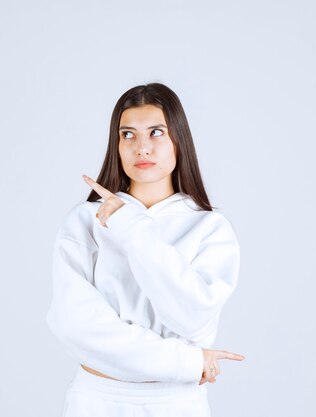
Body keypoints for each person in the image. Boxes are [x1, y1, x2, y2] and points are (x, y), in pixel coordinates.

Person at [46, 82, 245, 416]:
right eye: (128, 135)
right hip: (98, 401)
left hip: (175, 404)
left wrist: (132, 227)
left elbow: (193, 318)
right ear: (116, 144)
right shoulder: (86, 220)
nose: (142, 148)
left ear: (178, 140)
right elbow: (76, 326)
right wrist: (186, 361)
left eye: (156, 132)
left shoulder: (210, 228)